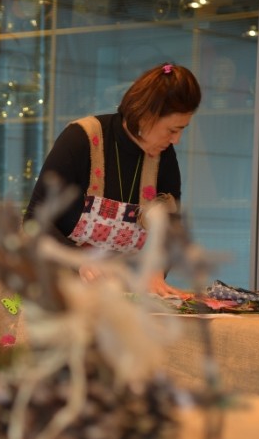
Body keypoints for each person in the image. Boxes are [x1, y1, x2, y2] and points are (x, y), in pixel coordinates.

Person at [23, 62, 201, 297]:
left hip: (106, 295)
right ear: (146, 115)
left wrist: (156, 269)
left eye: (182, 129)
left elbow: (169, 230)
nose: (176, 140)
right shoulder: (81, 139)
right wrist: (79, 261)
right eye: (172, 130)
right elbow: (33, 223)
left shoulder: (163, 157)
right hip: (42, 285)